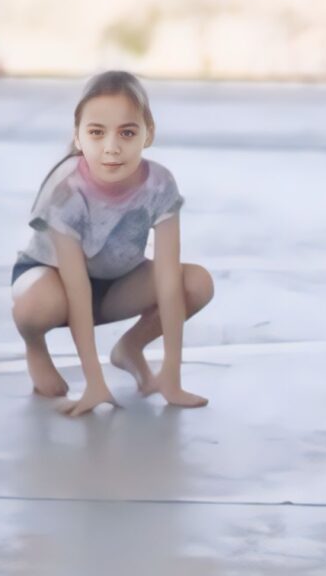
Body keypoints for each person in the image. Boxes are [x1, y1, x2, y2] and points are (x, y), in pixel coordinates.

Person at [11, 70, 212, 416]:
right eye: (96, 133)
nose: (112, 148)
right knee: (39, 304)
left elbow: (167, 281)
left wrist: (172, 376)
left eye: (127, 132)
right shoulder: (67, 188)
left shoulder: (160, 184)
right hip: (52, 278)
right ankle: (35, 347)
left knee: (195, 283)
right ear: (78, 137)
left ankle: (130, 349)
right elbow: (76, 288)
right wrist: (94, 383)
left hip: (117, 281)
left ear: (148, 133)